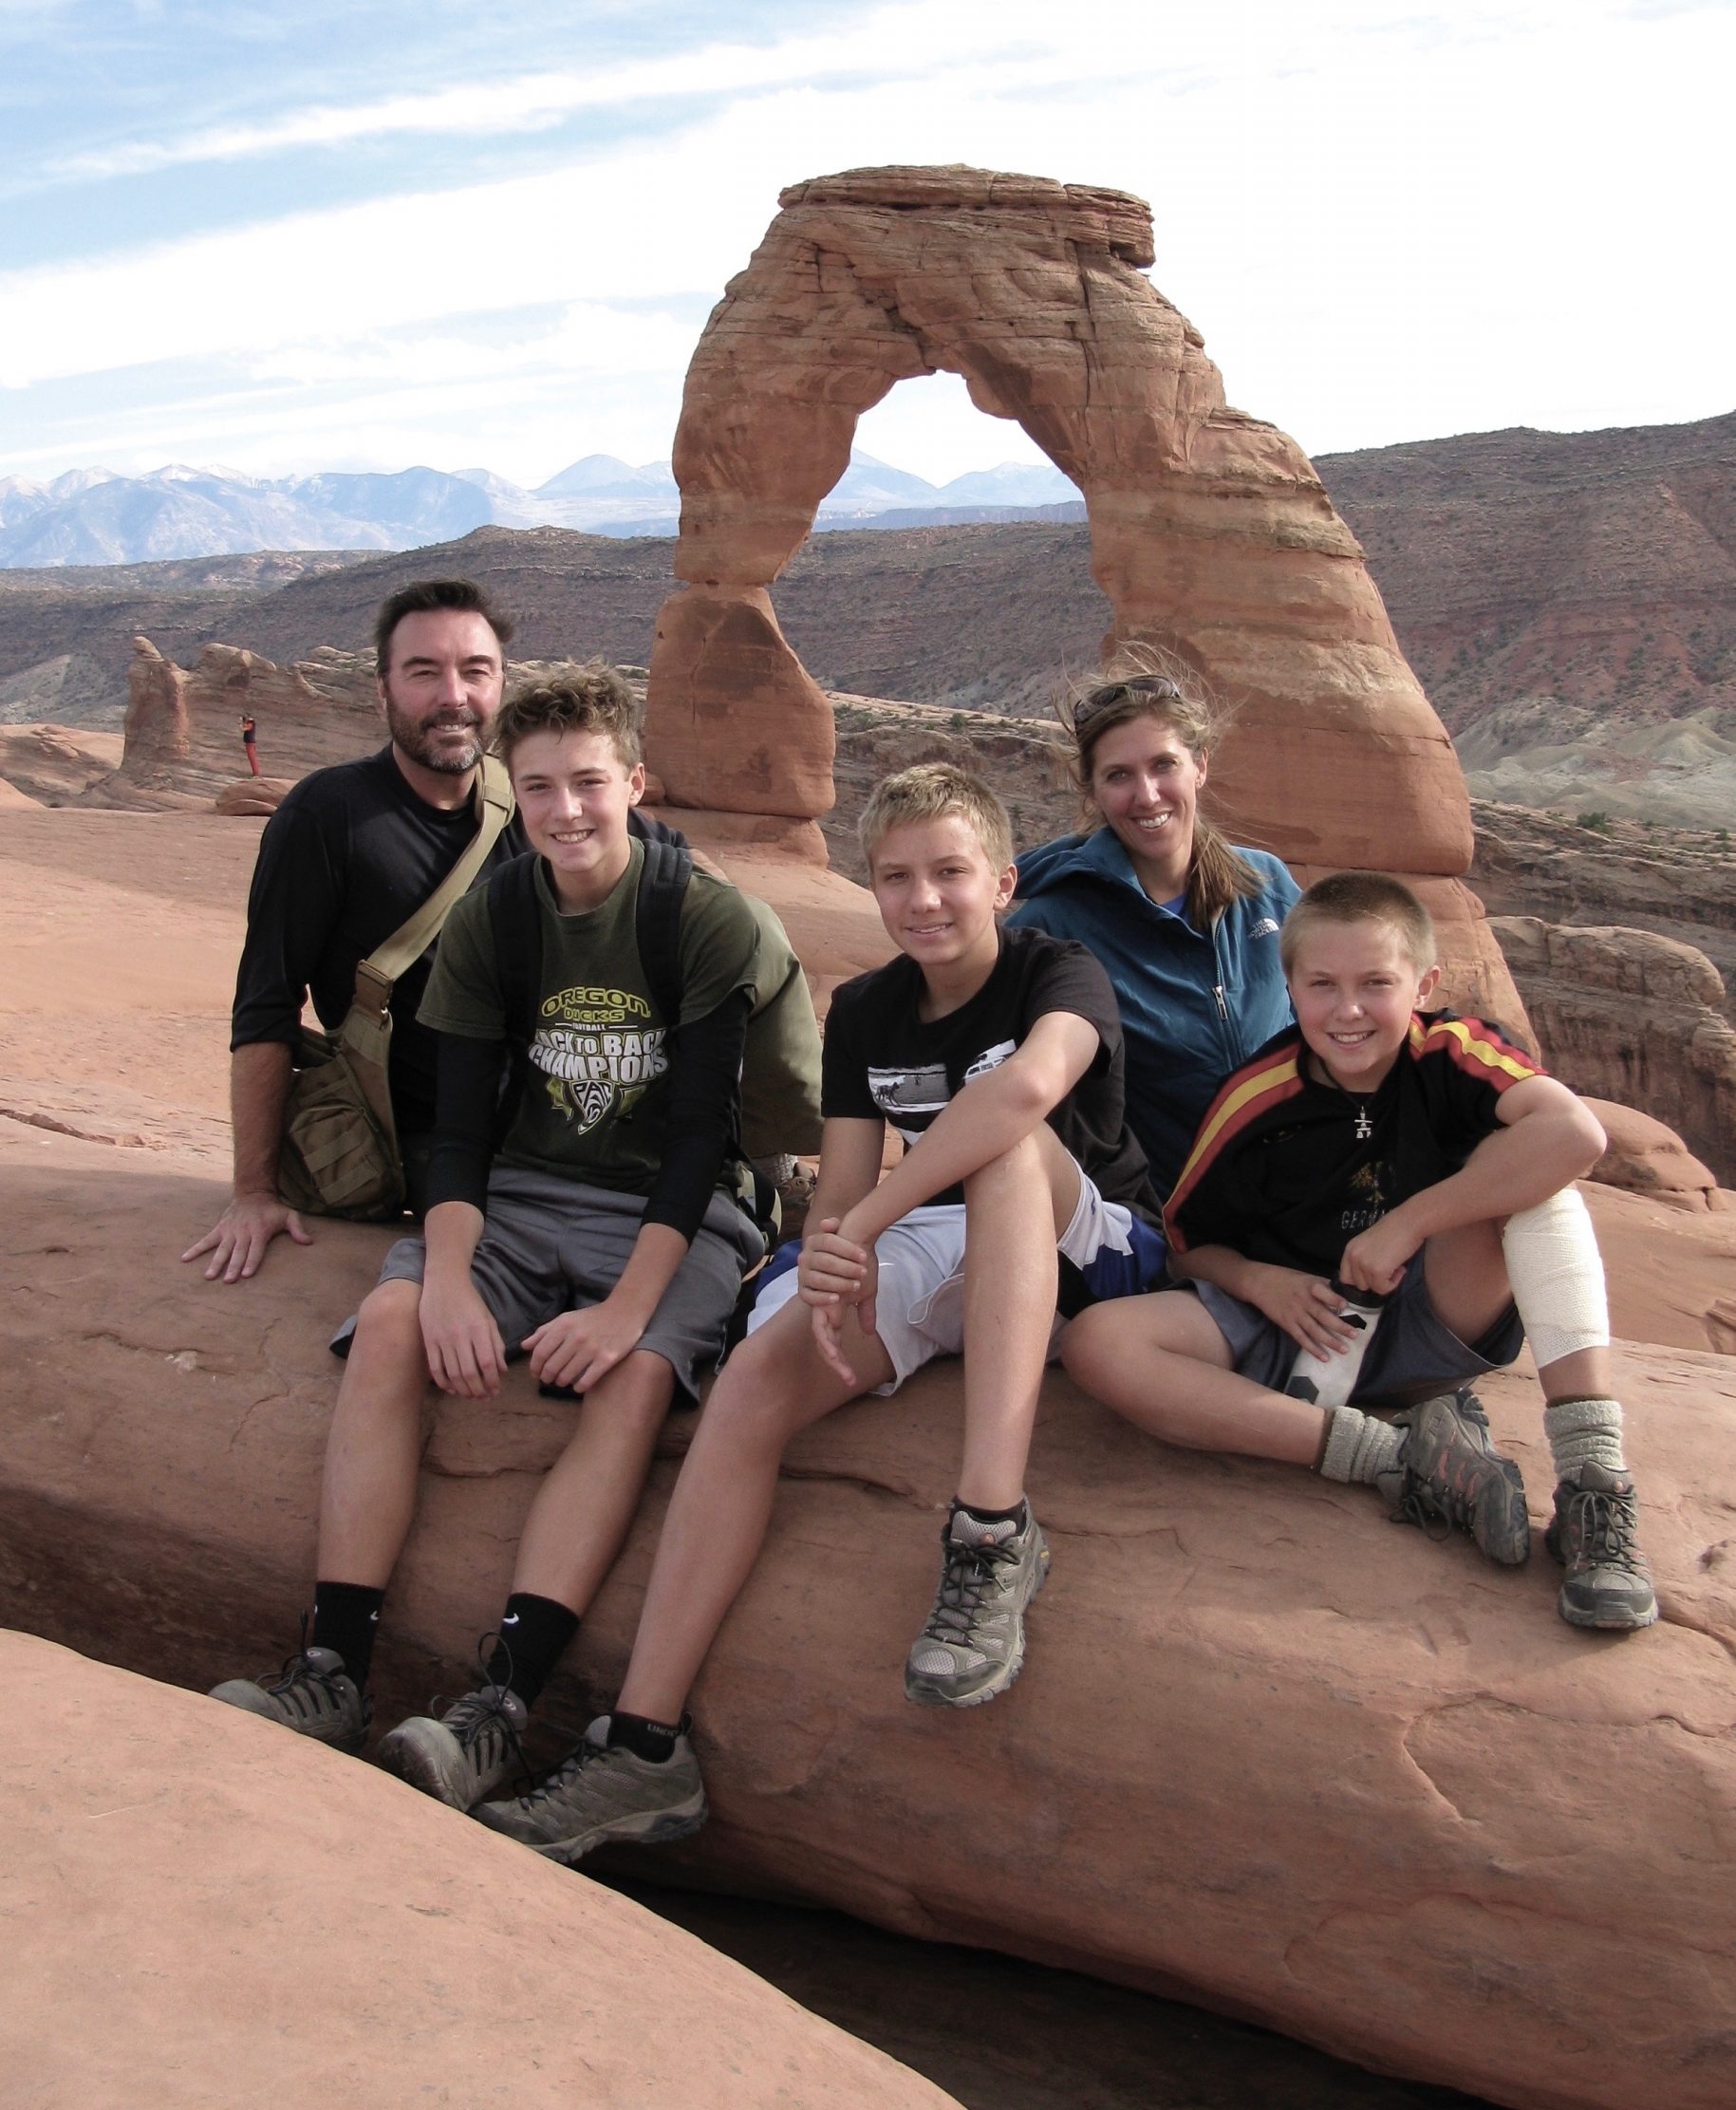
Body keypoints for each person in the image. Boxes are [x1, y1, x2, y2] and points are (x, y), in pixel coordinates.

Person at [468, 761, 1166, 1865]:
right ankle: (643, 1743)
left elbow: (1025, 1096)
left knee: (1000, 1147)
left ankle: (991, 1529)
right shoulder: (868, 1009)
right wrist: (829, 1267)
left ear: (1002, 881)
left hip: (1091, 1245)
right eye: (895, 878)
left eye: (948, 873)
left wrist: (866, 1221)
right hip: (943, 1247)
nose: (923, 900)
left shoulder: (1056, 970)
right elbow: (838, 1183)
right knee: (753, 1380)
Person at [210, 664, 781, 1795]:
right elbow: (456, 1133)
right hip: (521, 1193)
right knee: (387, 1319)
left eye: (587, 783)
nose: (565, 811)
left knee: (634, 1378)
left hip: (678, 1212)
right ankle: (333, 1668)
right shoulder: (494, 920)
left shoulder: (703, 918)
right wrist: (451, 1281)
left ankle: (498, 1705)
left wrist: (624, 1312)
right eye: (538, 789)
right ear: (509, 794)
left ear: (634, 780)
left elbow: (696, 1142)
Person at [1061, 869, 1657, 1632]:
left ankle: (1592, 1485)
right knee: (1100, 1344)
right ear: (1288, 988)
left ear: (1423, 983)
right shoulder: (1256, 1099)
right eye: (1321, 986)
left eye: (1375, 983)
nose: (1347, 1011)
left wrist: (1407, 1222)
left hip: (1429, 1311)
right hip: (1298, 1332)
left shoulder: (1450, 1051)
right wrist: (1258, 1282)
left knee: (1542, 1190)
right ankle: (1396, 1457)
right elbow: (1186, 1245)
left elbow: (1576, 1135)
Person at [183, 577, 520, 1283]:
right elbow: (267, 1004)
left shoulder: (533, 802)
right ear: (382, 691)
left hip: (547, 1129)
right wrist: (254, 1192)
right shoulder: (328, 814)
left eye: (474, 671)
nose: (452, 696)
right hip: (426, 1150)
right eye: (423, 673)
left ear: (500, 684)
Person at [1014, 652, 1301, 1203]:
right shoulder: (1053, 924)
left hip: (1305, 1199)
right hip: (1166, 1226)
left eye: (1163, 765)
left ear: (1201, 765)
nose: (1146, 796)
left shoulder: (1264, 884)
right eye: (1119, 775)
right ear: (1092, 790)